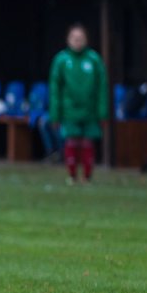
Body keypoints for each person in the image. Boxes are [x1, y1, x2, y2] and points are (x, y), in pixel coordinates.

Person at [48, 24, 108, 183]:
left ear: (86, 40)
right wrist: (55, 114)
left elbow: (102, 88)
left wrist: (102, 112)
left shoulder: (94, 59)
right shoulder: (61, 60)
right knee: (71, 142)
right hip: (69, 110)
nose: (77, 41)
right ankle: (72, 175)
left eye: (80, 38)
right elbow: (55, 89)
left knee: (87, 143)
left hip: (90, 111)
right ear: (68, 40)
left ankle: (87, 176)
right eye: (74, 38)